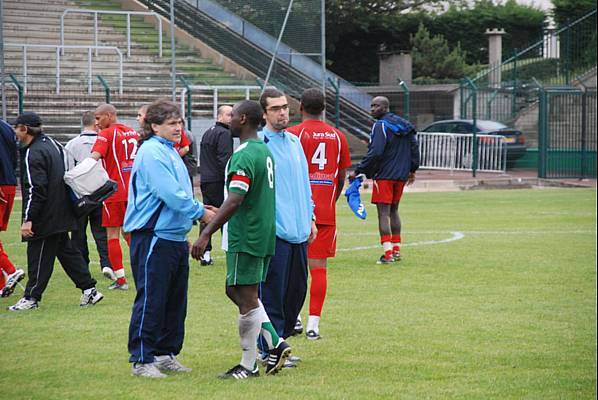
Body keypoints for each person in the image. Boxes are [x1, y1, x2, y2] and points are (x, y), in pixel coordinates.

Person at [191, 100, 291, 379]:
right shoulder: (264, 150)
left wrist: (206, 233)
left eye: (233, 115)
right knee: (235, 290)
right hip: (262, 232)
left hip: (246, 234)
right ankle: (274, 341)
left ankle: (249, 365)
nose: (229, 120)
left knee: (245, 296)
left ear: (244, 119)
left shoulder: (245, 155)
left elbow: (235, 198)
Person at [123, 99, 215, 379]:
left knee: (175, 301)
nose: (178, 128)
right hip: (153, 236)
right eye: (172, 123)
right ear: (154, 126)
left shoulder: (171, 151)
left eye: (180, 122)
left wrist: (196, 212)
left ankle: (165, 353)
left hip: (173, 237)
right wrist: (201, 213)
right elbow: (170, 193)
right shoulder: (152, 152)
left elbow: (181, 192)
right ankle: (142, 359)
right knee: (152, 297)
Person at [7, 112, 103, 311]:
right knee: (67, 253)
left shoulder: (33, 152)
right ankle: (89, 290)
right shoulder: (53, 144)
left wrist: (29, 218)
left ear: (24, 128)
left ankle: (31, 297)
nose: (15, 133)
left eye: (16, 128)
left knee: (38, 256)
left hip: (46, 215)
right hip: (61, 210)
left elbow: (36, 189)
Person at [287, 88, 352, 340]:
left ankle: (295, 318)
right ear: (324, 108)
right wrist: (329, 201)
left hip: (296, 210)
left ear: (300, 106)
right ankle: (314, 324)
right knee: (319, 268)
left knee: (292, 267)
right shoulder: (338, 136)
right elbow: (341, 175)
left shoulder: (294, 134)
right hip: (325, 210)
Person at [257, 89, 316, 360]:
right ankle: (269, 348)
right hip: (275, 232)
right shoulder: (258, 144)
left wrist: (311, 217)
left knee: (296, 292)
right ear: (264, 113)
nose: (282, 113)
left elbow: (304, 184)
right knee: (272, 294)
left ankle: (282, 343)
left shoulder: (294, 142)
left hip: (299, 231)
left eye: (284, 107)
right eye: (275, 109)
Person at [349, 96, 419, 264]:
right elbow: (414, 147)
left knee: (383, 213)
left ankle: (387, 254)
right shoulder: (405, 125)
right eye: (372, 106)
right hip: (401, 175)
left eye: (376, 106)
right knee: (394, 210)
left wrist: (359, 170)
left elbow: (376, 152)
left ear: (385, 107)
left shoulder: (380, 125)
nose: (372, 109)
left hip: (385, 176)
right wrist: (412, 169)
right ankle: (396, 251)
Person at [90, 104, 139, 290]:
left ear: (109, 116)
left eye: (98, 118)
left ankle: (120, 280)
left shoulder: (106, 134)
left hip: (115, 192)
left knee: (112, 235)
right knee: (131, 233)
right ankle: (141, 270)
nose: (96, 122)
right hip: (134, 192)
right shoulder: (132, 132)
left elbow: (93, 157)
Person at [65, 111, 113, 279]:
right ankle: (107, 264)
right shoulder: (105, 141)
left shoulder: (72, 145)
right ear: (95, 124)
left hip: (79, 196)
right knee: (102, 232)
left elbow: (68, 172)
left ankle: (82, 266)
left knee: (78, 234)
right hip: (101, 193)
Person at [198, 105, 233, 266]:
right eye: (228, 115)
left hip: (206, 179)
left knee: (207, 215)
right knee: (224, 215)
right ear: (220, 116)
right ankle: (230, 249)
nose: (232, 118)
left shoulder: (208, 132)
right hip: (218, 180)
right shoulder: (224, 133)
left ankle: (205, 253)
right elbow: (224, 160)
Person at [0, 119, 25, 298]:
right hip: (8, 184)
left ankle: (11, 270)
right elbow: (14, 156)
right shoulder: (7, 127)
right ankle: (2, 285)